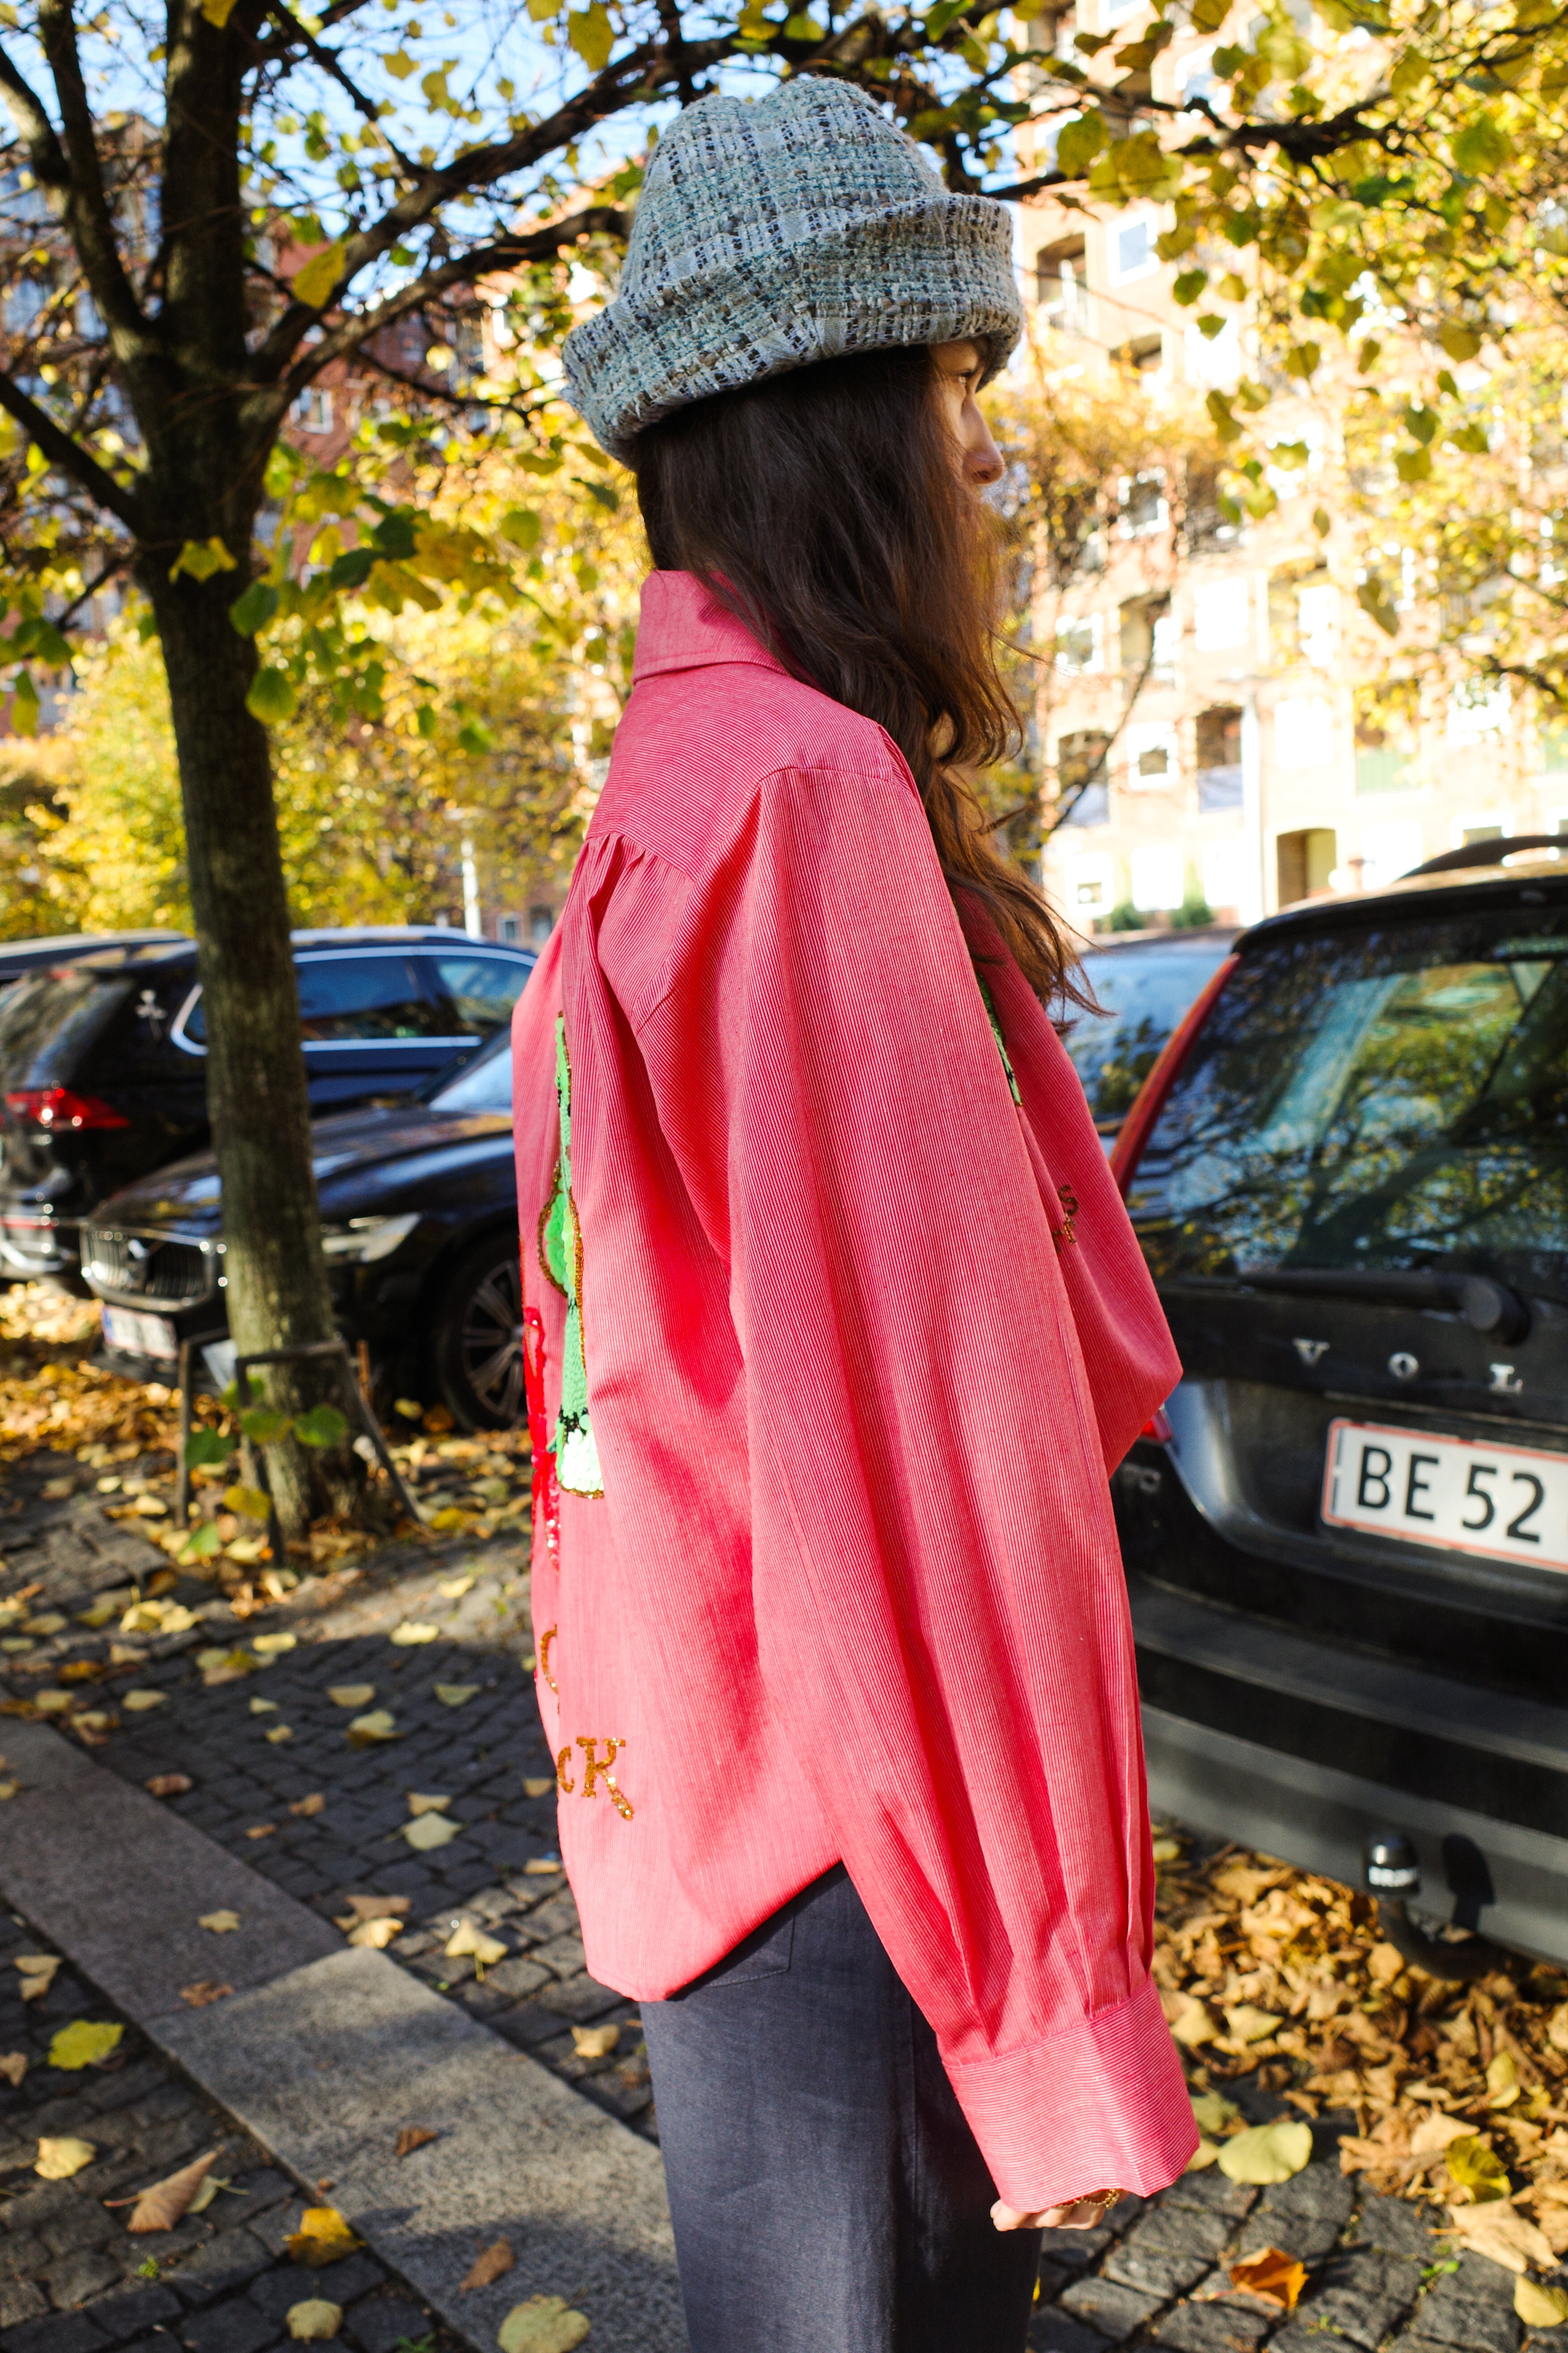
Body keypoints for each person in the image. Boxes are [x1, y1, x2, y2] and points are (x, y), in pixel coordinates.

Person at [511, 73, 1195, 2353]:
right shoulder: (798, 802)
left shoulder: (664, 792)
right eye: (945, 387)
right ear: (836, 425)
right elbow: (925, 1463)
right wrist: (1045, 1984)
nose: (983, 457)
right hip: (858, 1846)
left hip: (722, 1804)